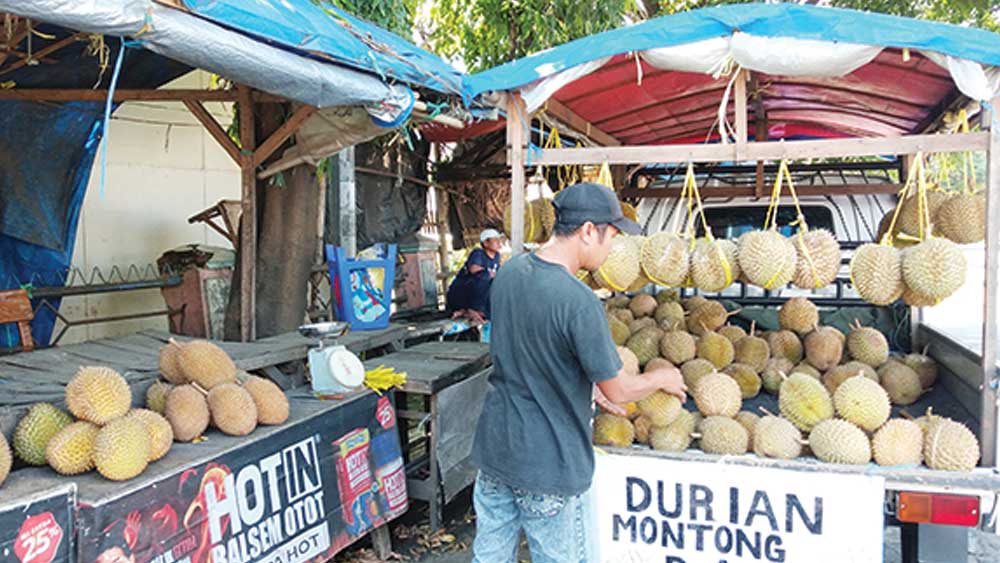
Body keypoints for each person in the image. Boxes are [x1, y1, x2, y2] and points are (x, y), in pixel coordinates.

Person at [470, 182, 687, 563]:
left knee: (489, 557)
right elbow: (619, 390)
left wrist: (588, 385)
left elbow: (531, 351)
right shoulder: (579, 300)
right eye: (612, 236)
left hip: (496, 449)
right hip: (548, 460)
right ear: (588, 231)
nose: (612, 248)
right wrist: (662, 378)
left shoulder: (510, 271)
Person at [445, 228, 503, 324]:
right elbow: (474, 269)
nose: (499, 242)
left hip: (475, 297)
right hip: (461, 294)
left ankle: (475, 311)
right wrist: (491, 274)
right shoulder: (478, 253)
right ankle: (472, 309)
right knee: (485, 276)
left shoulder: (497, 256)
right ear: (486, 243)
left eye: (499, 239)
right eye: (495, 240)